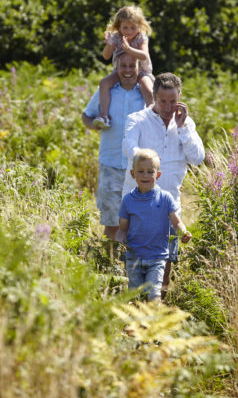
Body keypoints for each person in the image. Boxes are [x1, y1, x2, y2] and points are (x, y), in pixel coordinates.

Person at [122, 72, 205, 298]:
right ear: (154, 98)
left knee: (163, 272)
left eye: (172, 101)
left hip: (169, 206)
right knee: (136, 273)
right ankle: (136, 319)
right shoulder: (137, 120)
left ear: (180, 98)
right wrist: (147, 163)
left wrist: (182, 128)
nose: (168, 107)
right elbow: (129, 147)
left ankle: (156, 323)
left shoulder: (186, 124)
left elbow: (197, 158)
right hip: (138, 205)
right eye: (162, 101)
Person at [82, 52, 145, 243]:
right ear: (116, 67)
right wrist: (96, 124)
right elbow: (86, 115)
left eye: (131, 66)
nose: (127, 70)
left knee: (138, 220)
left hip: (138, 167)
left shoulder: (145, 94)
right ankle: (110, 261)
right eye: (123, 66)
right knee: (111, 219)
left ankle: (132, 265)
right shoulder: (107, 91)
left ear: (139, 68)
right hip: (110, 163)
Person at [116, 148, 191, 301]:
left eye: (150, 172)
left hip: (157, 257)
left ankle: (153, 324)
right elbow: (123, 229)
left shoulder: (165, 198)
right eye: (141, 171)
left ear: (158, 175)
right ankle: (136, 325)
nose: (145, 175)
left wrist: (184, 232)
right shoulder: (128, 201)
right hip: (134, 257)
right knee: (134, 298)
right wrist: (117, 242)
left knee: (154, 295)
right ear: (133, 174)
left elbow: (176, 222)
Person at [93, 5, 154, 130]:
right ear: (119, 27)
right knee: (104, 83)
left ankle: (153, 116)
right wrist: (109, 45)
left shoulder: (141, 37)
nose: (129, 31)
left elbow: (143, 56)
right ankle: (104, 116)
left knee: (148, 88)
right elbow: (106, 56)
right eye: (125, 27)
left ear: (140, 26)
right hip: (120, 71)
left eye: (133, 27)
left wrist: (129, 49)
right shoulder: (116, 37)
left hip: (142, 71)